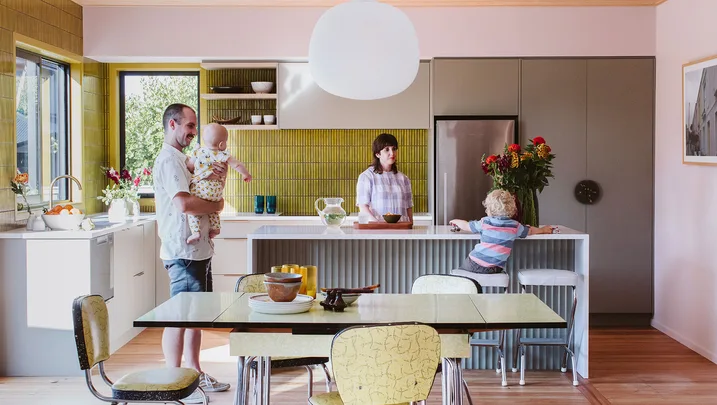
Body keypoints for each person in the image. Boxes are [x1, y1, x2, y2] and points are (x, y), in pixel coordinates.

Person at [153, 103, 230, 403]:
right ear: (172, 125)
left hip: (197, 250)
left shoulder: (182, 159)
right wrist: (217, 207)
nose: (194, 132)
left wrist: (217, 173)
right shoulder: (169, 161)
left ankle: (194, 374)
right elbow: (183, 204)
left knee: (194, 316)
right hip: (182, 251)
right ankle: (174, 384)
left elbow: (203, 182)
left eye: (195, 126)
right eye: (189, 126)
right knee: (178, 318)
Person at [449, 189, 554, 275]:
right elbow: (530, 230)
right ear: (512, 208)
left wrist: (455, 221)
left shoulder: (485, 222)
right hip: (496, 268)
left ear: (489, 208)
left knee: (460, 277)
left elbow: (467, 226)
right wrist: (543, 230)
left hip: (475, 263)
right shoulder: (515, 225)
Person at [186, 123, 252, 244]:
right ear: (222, 144)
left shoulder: (198, 152)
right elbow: (237, 165)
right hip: (216, 189)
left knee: (193, 211)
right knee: (213, 209)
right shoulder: (223, 154)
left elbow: (190, 166)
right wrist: (245, 174)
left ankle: (196, 231)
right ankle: (215, 228)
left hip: (201, 187)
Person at [356, 133, 414, 222]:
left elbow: (408, 208)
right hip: (378, 231)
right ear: (377, 154)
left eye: (394, 149)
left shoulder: (403, 178)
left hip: (402, 230)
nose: (392, 153)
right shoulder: (367, 177)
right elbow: (363, 207)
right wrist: (378, 225)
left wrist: (411, 227)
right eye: (387, 150)